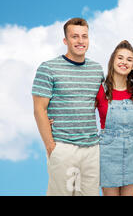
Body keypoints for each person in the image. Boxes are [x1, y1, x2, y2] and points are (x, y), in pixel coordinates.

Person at [32, 18, 104, 196]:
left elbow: (101, 104)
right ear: (65, 40)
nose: (80, 41)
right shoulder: (48, 68)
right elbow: (39, 109)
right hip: (63, 147)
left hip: (92, 149)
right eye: (75, 36)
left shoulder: (97, 70)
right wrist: (50, 146)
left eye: (84, 36)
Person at [95, 40, 133, 196]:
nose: (124, 62)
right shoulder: (101, 89)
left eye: (129, 60)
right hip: (108, 151)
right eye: (120, 58)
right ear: (113, 61)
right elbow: (84, 114)